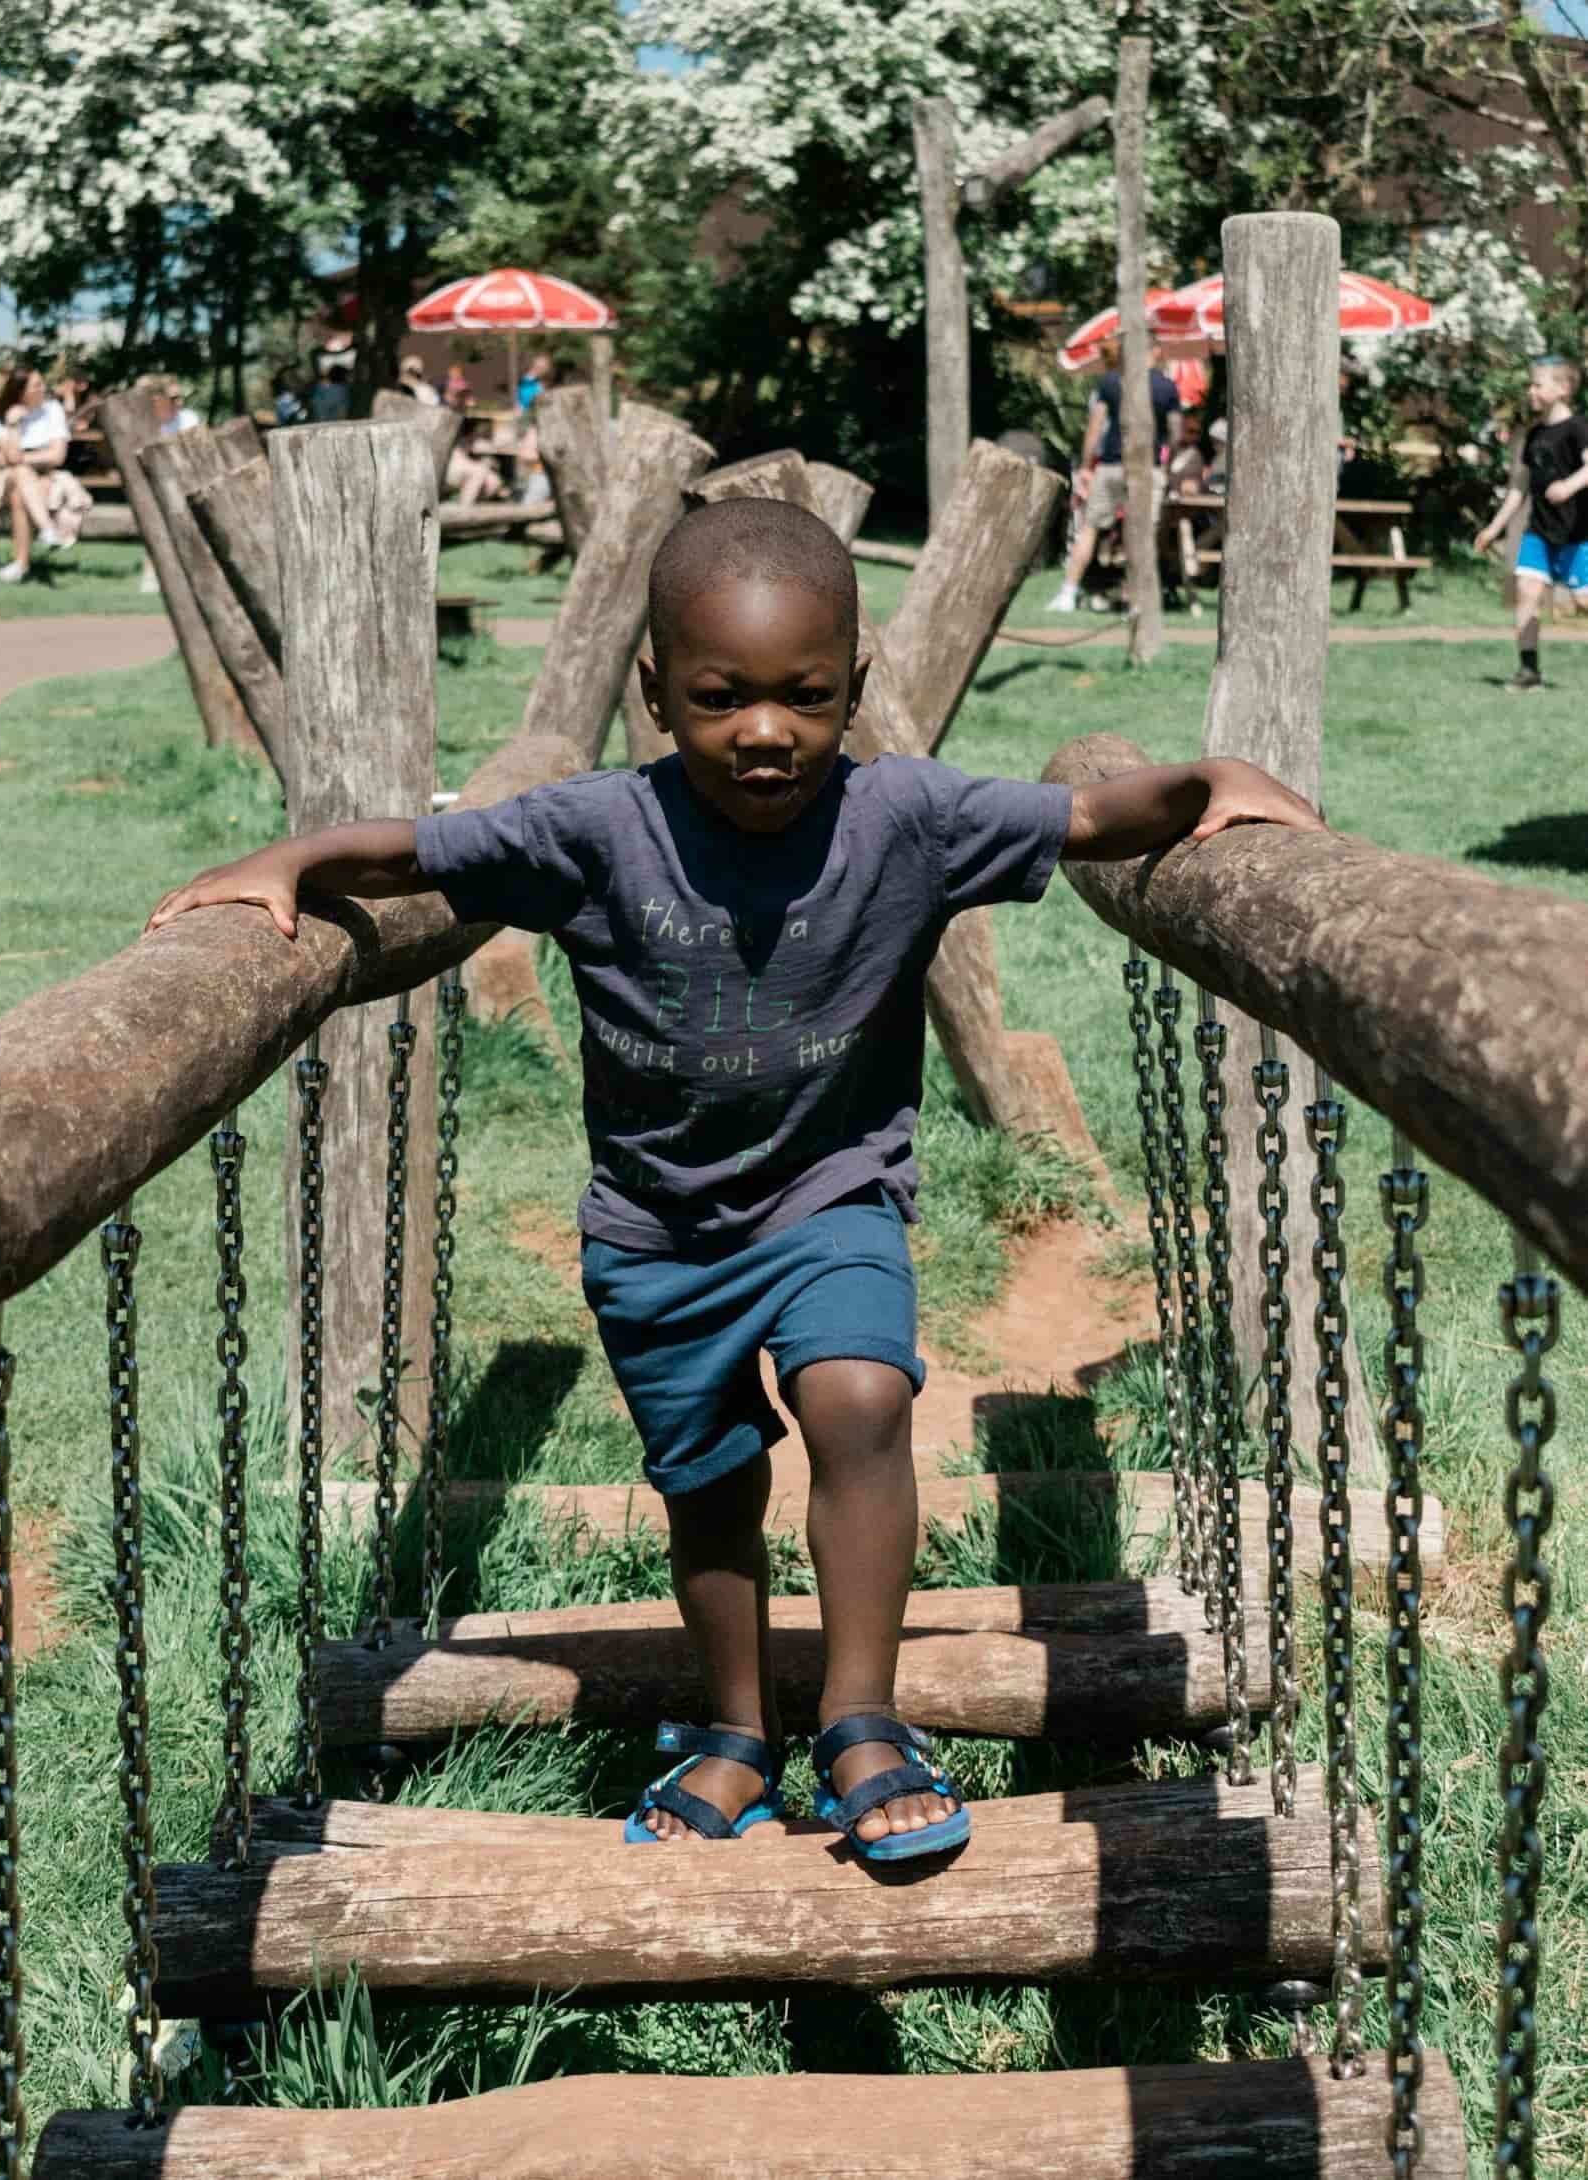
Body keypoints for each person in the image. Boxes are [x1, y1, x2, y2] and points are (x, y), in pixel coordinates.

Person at [145, 497, 1323, 1860]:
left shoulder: (907, 814)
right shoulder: (592, 829)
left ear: (853, 686)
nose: (764, 729)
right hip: (656, 1231)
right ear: (654, 690)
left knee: (860, 1398)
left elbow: (1082, 815)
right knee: (708, 1488)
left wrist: (1200, 785)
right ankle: (734, 1731)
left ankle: (865, 1722)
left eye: (803, 696)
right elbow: (417, 851)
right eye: (718, 698)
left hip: (836, 1193)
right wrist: (283, 860)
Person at [1474, 356, 1588, 692]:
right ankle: (1528, 671)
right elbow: (1519, 488)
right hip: (1539, 532)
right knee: (1526, 591)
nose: (1531, 390)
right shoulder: (1535, 435)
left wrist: (1568, 486)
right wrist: (1494, 528)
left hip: (1576, 534)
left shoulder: (1579, 428)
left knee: (1583, 601)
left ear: (1563, 388)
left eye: (1538, 384)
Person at [1047, 340, 1182, 612]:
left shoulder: (1111, 382)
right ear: (1155, 351)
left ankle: (1068, 594)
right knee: (1142, 535)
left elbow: (1095, 428)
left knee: (1089, 528)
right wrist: (1167, 466)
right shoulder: (1167, 387)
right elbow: (1176, 433)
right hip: (1147, 469)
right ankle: (1135, 599)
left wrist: (1086, 466)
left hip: (1110, 466)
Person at [0, 364, 85, 584]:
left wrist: (24, 458)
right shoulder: (3, 416)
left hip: (44, 478)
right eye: (37, 385)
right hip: (7, 480)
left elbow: (57, 455)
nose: (43, 389)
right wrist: (13, 425)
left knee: (20, 492)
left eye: (42, 384)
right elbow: (8, 459)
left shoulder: (52, 410)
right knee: (19, 474)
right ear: (22, 392)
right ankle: (47, 529)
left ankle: (21, 564)